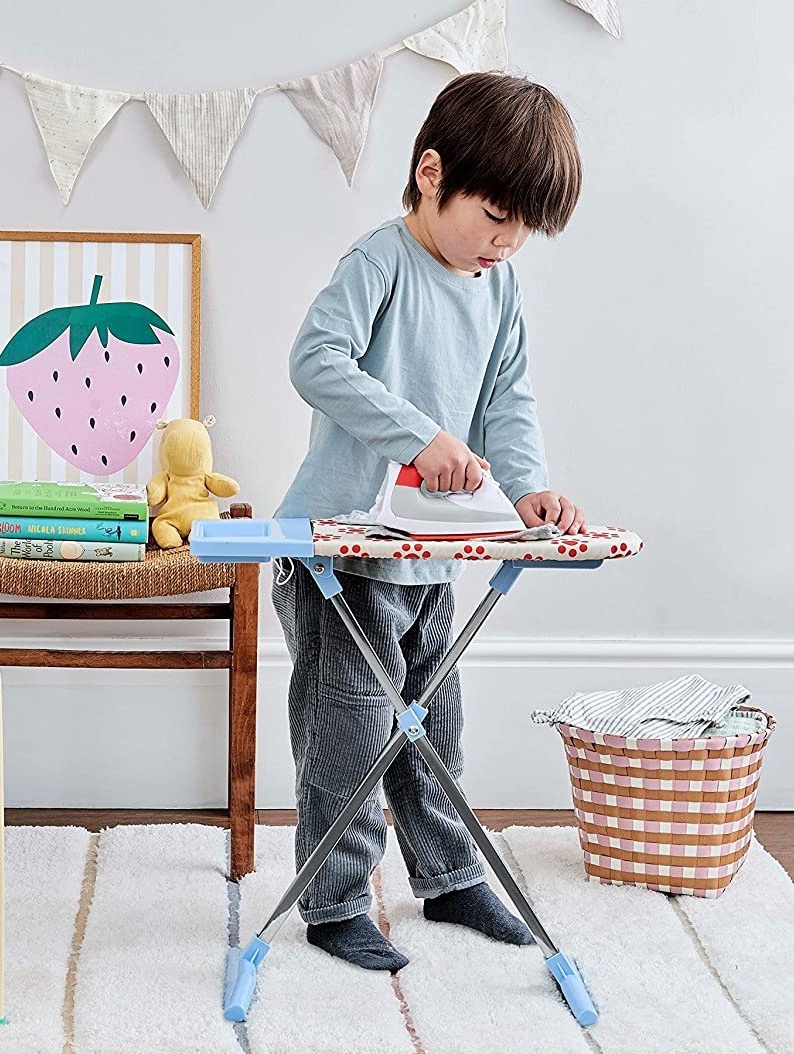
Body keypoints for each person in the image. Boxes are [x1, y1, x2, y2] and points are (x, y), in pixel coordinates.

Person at [272, 72, 587, 971]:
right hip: (338, 552)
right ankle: (332, 902)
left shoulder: (499, 288)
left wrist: (529, 489)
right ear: (429, 172)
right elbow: (314, 360)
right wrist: (419, 436)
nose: (506, 241)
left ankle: (449, 879)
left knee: (431, 723)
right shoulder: (380, 261)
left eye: (524, 227)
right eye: (494, 215)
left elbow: (506, 399)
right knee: (353, 730)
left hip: (427, 554)